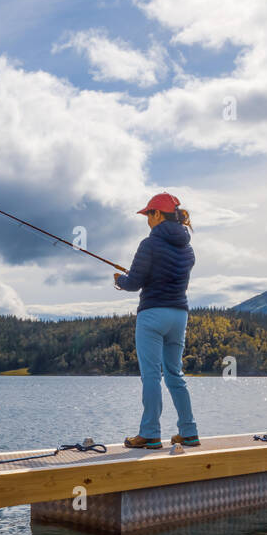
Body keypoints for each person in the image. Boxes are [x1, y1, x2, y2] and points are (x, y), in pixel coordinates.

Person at [113, 192, 200, 450]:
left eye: (148, 214)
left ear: (158, 214)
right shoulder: (188, 249)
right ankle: (189, 432)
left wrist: (119, 280)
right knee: (175, 374)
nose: (146, 220)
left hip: (152, 314)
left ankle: (150, 434)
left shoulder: (148, 245)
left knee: (151, 375)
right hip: (179, 315)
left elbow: (134, 283)